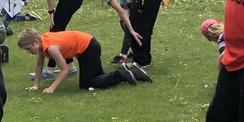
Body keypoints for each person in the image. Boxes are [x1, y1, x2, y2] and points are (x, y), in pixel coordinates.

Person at [16, 27, 148, 93]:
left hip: (88, 48)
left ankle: (122, 73)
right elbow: (39, 66)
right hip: (90, 44)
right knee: (99, 78)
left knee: (86, 84)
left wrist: (52, 88)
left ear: (35, 42)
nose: (28, 52)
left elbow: (65, 70)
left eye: (28, 48)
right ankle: (132, 69)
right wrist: (36, 85)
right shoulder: (42, 44)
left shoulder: (51, 48)